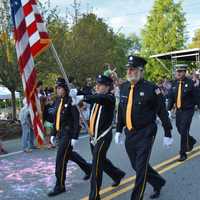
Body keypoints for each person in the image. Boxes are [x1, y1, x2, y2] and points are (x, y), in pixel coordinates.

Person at [115, 55, 173, 200]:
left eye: (133, 69)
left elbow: (162, 111)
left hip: (146, 132)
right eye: (128, 69)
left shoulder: (151, 89)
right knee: (136, 166)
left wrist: (168, 132)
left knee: (140, 168)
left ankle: (136, 197)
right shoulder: (124, 87)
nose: (129, 71)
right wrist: (117, 130)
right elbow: (122, 111)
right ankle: (158, 182)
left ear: (141, 70)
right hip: (129, 133)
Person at [71, 74, 126, 200]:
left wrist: (82, 97)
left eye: (100, 85)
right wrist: (76, 93)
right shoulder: (96, 98)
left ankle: (94, 195)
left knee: (96, 164)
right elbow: (93, 98)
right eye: (96, 84)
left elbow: (99, 98)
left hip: (103, 136)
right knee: (102, 161)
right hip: (93, 136)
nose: (97, 86)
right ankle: (117, 174)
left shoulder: (109, 98)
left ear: (107, 87)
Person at [48, 78, 91, 197]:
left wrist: (75, 136)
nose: (58, 90)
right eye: (57, 88)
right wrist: (52, 133)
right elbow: (55, 119)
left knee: (60, 159)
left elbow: (77, 119)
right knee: (69, 154)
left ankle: (60, 185)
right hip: (60, 133)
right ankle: (88, 168)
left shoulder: (71, 100)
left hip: (68, 134)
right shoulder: (57, 100)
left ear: (65, 88)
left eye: (60, 88)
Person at [167, 64, 199, 161]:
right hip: (179, 111)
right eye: (177, 71)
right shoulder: (174, 83)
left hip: (188, 110)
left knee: (184, 129)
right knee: (179, 128)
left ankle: (183, 153)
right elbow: (172, 97)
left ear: (185, 72)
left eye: (180, 71)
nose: (178, 73)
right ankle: (191, 140)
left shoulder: (190, 83)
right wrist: (168, 110)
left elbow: (197, 97)